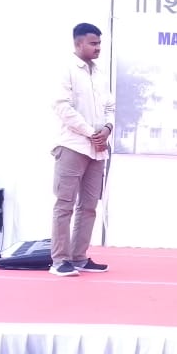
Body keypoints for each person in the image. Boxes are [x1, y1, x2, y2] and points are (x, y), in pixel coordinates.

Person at [50, 23, 115, 277]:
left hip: (98, 149)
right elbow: (62, 107)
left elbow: (110, 107)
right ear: (78, 44)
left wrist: (107, 129)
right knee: (64, 205)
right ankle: (59, 260)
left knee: (88, 206)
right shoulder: (66, 69)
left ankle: (79, 257)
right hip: (72, 145)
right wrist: (91, 133)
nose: (98, 48)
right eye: (93, 43)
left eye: (99, 43)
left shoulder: (100, 74)